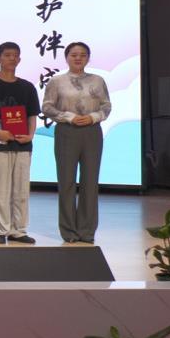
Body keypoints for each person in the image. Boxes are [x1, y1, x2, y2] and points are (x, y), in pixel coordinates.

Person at [42, 42, 111, 244]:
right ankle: (69, 231)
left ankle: (87, 231)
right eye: (74, 55)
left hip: (92, 131)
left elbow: (106, 106)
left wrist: (93, 117)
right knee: (67, 182)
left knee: (90, 181)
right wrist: (69, 117)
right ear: (67, 57)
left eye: (82, 55)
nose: (78, 58)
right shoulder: (57, 81)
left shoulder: (98, 80)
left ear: (88, 58)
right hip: (66, 131)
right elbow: (47, 107)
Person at [0, 42, 40, 245]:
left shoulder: (27, 87)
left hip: (22, 144)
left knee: (21, 189)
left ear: (19, 59)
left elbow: (32, 115)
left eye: (15, 55)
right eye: (7, 55)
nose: (12, 58)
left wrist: (30, 135)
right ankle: (0, 230)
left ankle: (18, 230)